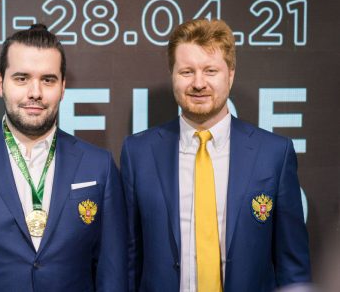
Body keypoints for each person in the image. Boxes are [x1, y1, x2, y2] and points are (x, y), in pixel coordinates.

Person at [0, 24, 127, 292]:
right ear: (0, 83)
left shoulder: (99, 166)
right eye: (22, 78)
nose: (35, 92)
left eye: (48, 80)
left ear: (63, 87)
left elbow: (113, 275)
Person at [120, 19, 311, 292]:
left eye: (210, 71)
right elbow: (128, 258)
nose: (199, 83)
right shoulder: (138, 153)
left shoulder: (274, 154)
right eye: (187, 71)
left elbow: (293, 267)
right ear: (172, 74)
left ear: (230, 74)